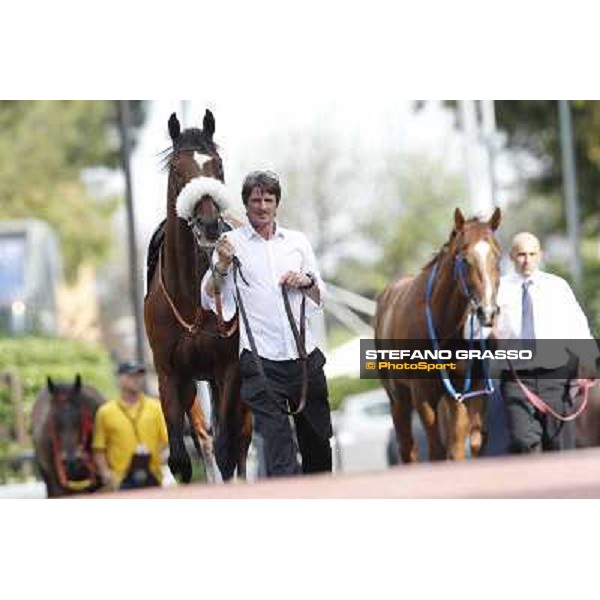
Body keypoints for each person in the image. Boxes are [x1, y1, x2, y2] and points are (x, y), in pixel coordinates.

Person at [201, 170, 333, 477]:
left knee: (318, 445)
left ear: (277, 204)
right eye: (256, 200)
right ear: (246, 205)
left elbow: (320, 295)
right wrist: (220, 264)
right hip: (261, 361)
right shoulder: (229, 244)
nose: (262, 206)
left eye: (268, 199)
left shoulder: (298, 242)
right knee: (278, 448)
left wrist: (305, 280)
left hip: (304, 356)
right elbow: (209, 296)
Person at [495, 232, 598, 454]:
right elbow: (474, 329)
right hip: (516, 378)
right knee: (522, 442)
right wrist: (487, 331)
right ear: (512, 256)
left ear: (540, 255)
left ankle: (560, 487)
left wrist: (588, 362)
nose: (527, 259)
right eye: (521, 254)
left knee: (560, 446)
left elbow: (577, 327)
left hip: (557, 376)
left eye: (532, 254)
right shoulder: (498, 289)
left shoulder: (557, 287)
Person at [93, 362, 168, 490]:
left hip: (153, 477)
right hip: (120, 480)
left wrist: (163, 457)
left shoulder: (155, 407)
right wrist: (106, 474)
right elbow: (99, 449)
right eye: (131, 375)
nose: (137, 380)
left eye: (139, 376)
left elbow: (166, 441)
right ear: (120, 378)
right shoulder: (105, 412)